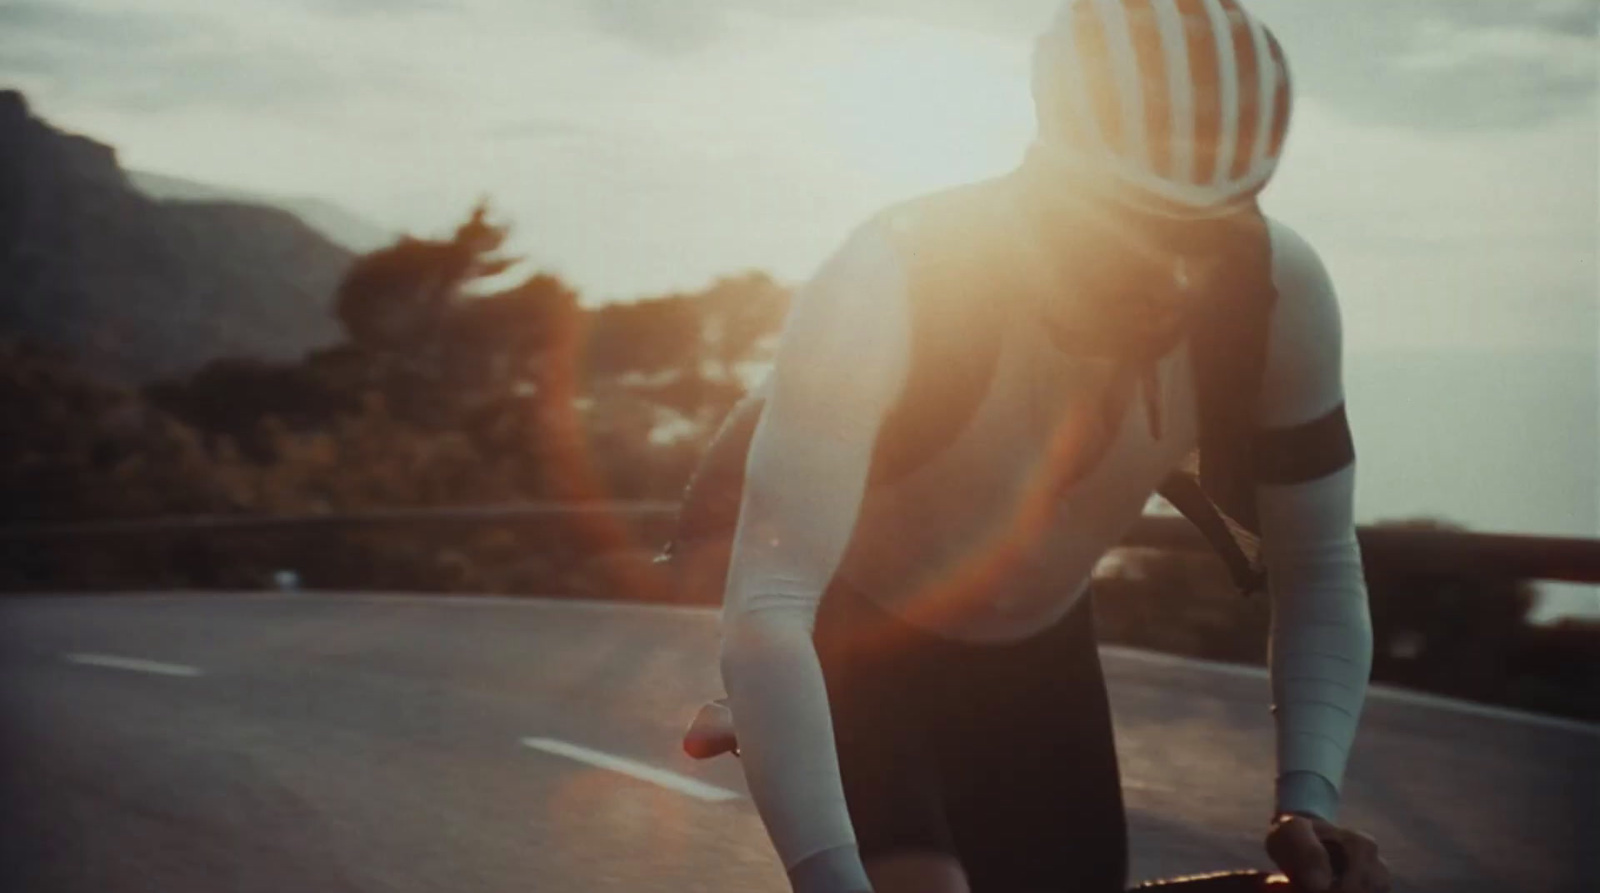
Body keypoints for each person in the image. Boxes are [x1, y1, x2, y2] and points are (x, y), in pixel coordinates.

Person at [684, 1, 1391, 891]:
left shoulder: (1278, 289)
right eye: (1128, 228)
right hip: (854, 633)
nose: (1167, 276)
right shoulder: (895, 274)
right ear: (1047, 178)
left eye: (1200, 238)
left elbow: (1319, 560)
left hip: (1037, 649)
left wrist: (1307, 807)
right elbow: (771, 604)